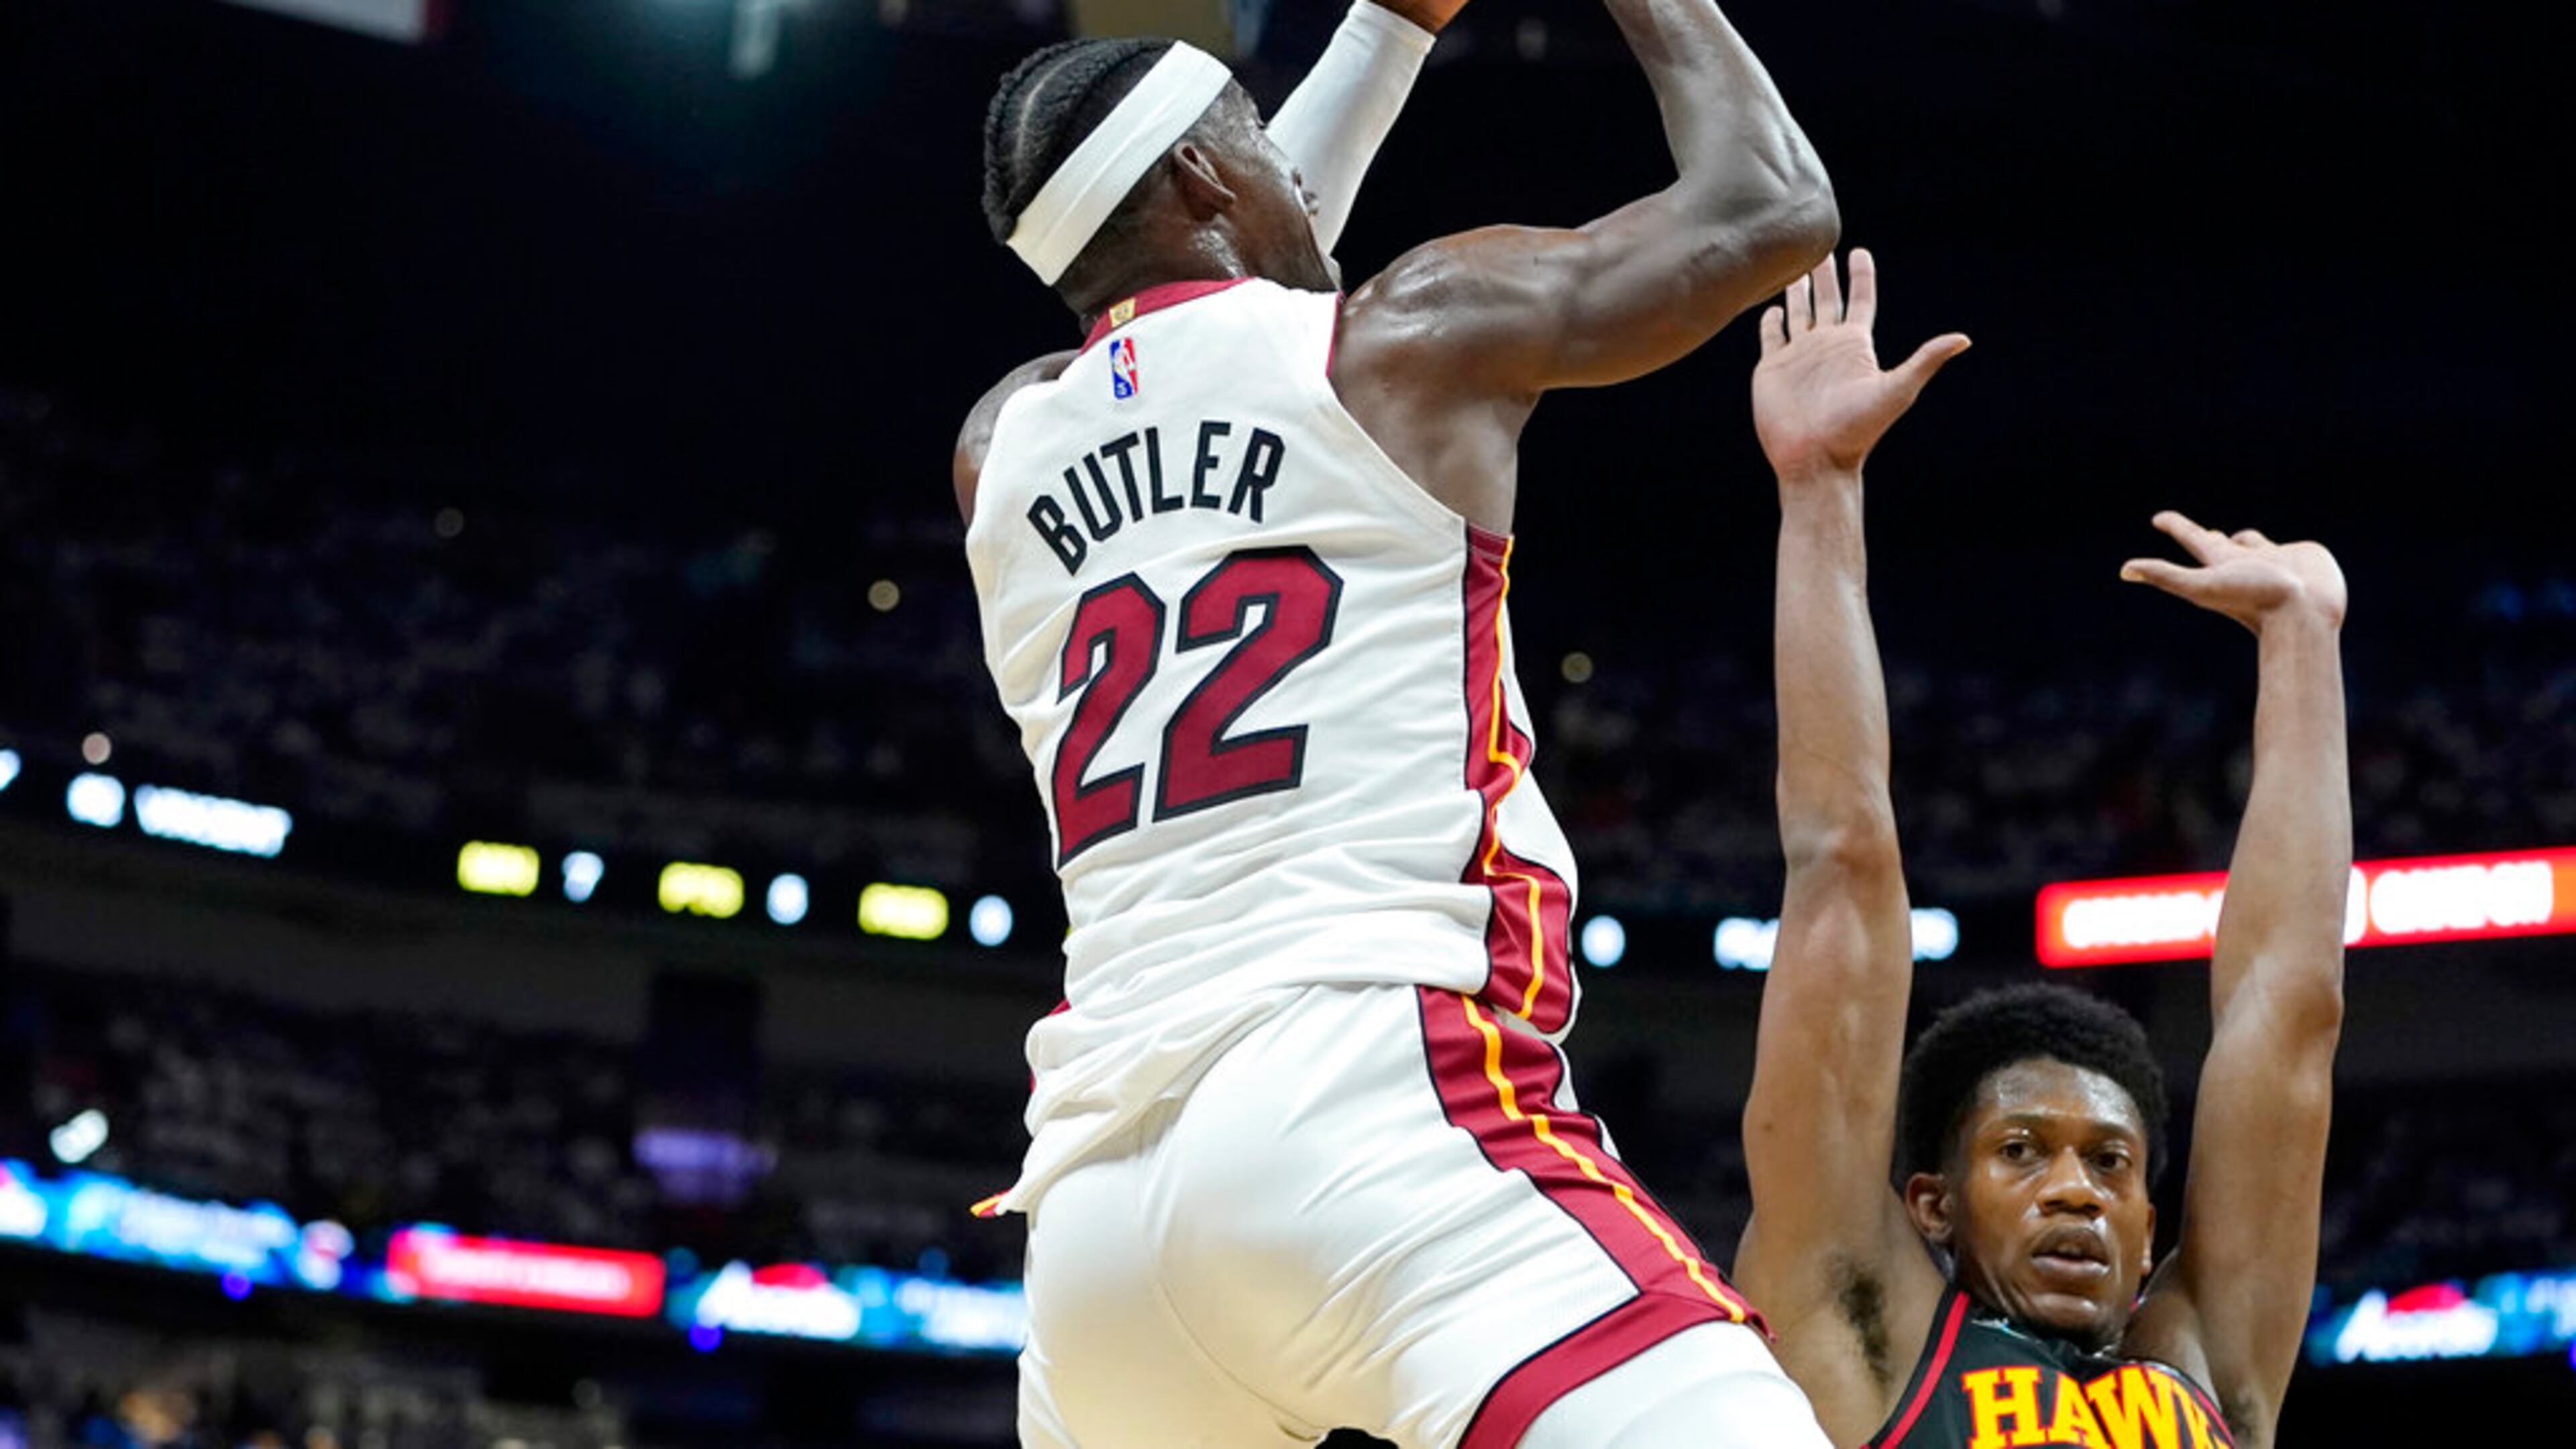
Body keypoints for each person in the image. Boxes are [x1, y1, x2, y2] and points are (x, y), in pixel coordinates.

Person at [953, 0, 1840, 1442]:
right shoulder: (1413, 335)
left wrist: (1389, 31)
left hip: (1095, 1219)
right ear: (1203, 174)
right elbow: (1774, 205)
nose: (1289, 168)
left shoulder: (1000, 446)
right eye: (1252, 137)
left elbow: (1224, 299)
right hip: (1362, 1097)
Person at [1731, 249, 2351, 1449]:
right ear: (1932, 1205)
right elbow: (1842, 867)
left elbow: (2293, 1011)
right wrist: (1819, 488)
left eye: (2112, 1164)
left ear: (2148, 1217)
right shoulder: (1865, 1327)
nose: (2078, 1190)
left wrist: (2303, 644)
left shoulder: (2206, 1365)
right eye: (2022, 1152)